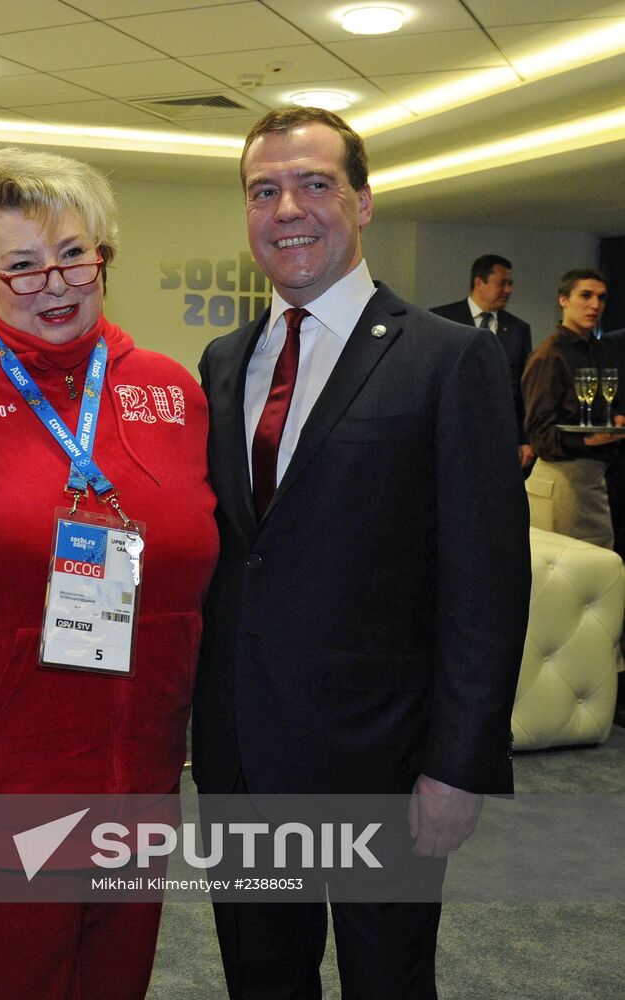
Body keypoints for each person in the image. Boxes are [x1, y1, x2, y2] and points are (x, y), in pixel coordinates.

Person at [195, 105, 531, 999]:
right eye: (263, 190)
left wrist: (459, 763)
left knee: (386, 978)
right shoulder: (222, 361)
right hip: (240, 754)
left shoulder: (448, 359)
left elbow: (485, 583)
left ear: (363, 203)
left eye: (314, 184)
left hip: (381, 761)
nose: (287, 208)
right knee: (261, 978)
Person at [0, 146, 219, 999]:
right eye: (21, 266)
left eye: (72, 253)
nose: (56, 283)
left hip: (135, 784)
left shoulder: (171, 391)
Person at [522, 268, 622, 548]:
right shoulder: (549, 355)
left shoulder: (601, 351)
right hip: (560, 480)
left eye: (601, 298)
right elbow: (539, 434)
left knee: (598, 575)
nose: (595, 305)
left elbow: (604, 411)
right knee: (562, 583)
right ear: (563, 300)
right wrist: (590, 438)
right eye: (586, 296)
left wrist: (615, 421)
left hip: (593, 479)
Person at [430, 254, 535, 470]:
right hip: (450, 429)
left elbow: (523, 388)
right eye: (502, 283)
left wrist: (524, 438)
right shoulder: (441, 319)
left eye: (510, 283)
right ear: (479, 282)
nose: (508, 290)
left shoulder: (518, 329)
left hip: (500, 433)